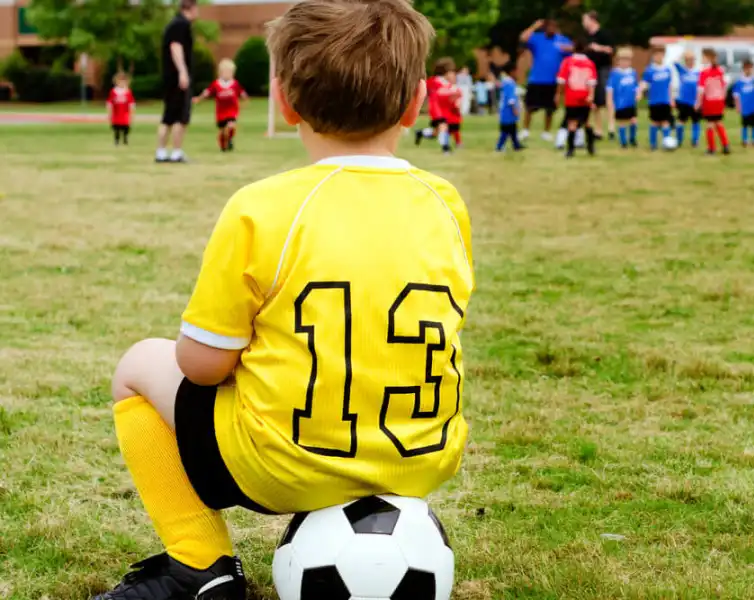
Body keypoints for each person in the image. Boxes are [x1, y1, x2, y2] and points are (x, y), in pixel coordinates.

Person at [92, 0, 475, 598]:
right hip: (421, 458)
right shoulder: (445, 202)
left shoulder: (263, 207)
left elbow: (201, 365)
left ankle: (200, 564)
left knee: (139, 364)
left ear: (285, 99)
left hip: (283, 466)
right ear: (417, 102)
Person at [157, 0, 197, 164]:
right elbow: (176, 47)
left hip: (169, 78)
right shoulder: (181, 25)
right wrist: (183, 72)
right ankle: (176, 152)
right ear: (190, 8)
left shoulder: (173, 24)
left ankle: (161, 152)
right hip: (177, 78)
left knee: (168, 116)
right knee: (180, 116)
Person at [519, 18, 572, 142]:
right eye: (549, 27)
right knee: (530, 107)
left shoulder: (561, 40)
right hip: (536, 79)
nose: (551, 30)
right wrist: (534, 26)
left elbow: (574, 49)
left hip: (553, 80)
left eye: (554, 27)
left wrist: (568, 49)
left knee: (550, 109)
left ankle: (546, 132)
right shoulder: (537, 38)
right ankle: (525, 130)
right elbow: (523, 38)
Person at [193, 59, 249, 152]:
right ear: (220, 73)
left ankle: (230, 139)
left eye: (230, 72)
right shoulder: (216, 84)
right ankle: (223, 144)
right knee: (223, 131)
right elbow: (207, 93)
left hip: (232, 110)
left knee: (231, 126)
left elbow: (242, 93)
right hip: (221, 112)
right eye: (225, 72)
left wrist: (244, 100)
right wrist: (199, 99)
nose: (228, 74)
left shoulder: (234, 84)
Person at [556, 38, 597, 158]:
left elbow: (561, 80)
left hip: (572, 97)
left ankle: (570, 150)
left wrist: (558, 94)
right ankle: (591, 146)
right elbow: (592, 82)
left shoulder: (567, 62)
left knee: (572, 123)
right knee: (587, 123)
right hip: (585, 96)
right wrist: (591, 96)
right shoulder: (590, 63)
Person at [582, 11, 615, 140]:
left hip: (603, 69)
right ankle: (598, 130)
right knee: (594, 101)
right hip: (591, 70)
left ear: (592, 20)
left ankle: (611, 127)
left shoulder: (604, 34)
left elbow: (611, 50)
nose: (583, 23)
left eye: (585, 20)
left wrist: (598, 48)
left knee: (607, 98)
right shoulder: (586, 37)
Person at [414, 57, 454, 151]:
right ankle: (445, 148)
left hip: (443, 110)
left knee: (436, 132)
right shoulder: (434, 81)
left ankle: (420, 133)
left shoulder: (446, 83)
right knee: (443, 127)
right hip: (436, 109)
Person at [696, 47, 731, 155]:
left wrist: (698, 103)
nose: (701, 59)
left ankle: (712, 148)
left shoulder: (704, 72)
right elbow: (724, 87)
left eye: (702, 57)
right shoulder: (720, 70)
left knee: (710, 124)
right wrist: (723, 100)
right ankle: (725, 145)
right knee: (719, 123)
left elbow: (701, 90)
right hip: (719, 101)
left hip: (710, 101)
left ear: (708, 58)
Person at [640, 46, 674, 151]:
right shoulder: (650, 70)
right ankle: (653, 144)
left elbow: (670, 86)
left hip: (665, 100)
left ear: (663, 56)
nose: (659, 57)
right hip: (654, 101)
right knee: (654, 122)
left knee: (665, 122)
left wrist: (671, 98)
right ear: (653, 56)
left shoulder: (667, 69)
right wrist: (639, 92)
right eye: (656, 55)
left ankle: (666, 143)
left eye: (661, 55)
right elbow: (644, 83)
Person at [606, 47, 639, 149]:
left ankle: (632, 139)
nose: (625, 62)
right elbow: (610, 88)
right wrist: (609, 100)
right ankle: (623, 142)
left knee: (633, 120)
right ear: (618, 60)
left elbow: (636, 86)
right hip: (620, 103)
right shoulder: (615, 73)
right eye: (622, 60)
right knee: (622, 122)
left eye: (627, 60)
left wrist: (638, 93)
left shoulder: (633, 72)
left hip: (631, 102)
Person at [674, 50, 701, 148]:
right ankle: (678, 140)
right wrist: (682, 54)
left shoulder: (698, 72)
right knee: (681, 121)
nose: (690, 62)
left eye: (692, 60)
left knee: (695, 121)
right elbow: (675, 62)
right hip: (683, 101)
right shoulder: (682, 70)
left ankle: (695, 140)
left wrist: (699, 101)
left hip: (695, 102)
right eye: (688, 60)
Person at [734, 60, 754, 147]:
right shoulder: (739, 81)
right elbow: (736, 95)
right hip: (745, 107)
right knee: (745, 124)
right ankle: (744, 140)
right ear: (743, 69)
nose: (748, 70)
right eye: (746, 68)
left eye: (750, 68)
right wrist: (738, 106)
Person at [496, 64, 524, 152]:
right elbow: (510, 98)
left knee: (513, 129)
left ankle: (516, 145)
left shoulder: (506, 82)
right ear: (512, 72)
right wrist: (514, 109)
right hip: (508, 111)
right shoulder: (509, 83)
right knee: (506, 130)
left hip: (506, 111)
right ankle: (499, 146)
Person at [107, 72, 135, 147]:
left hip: (125, 113)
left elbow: (131, 104)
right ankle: (117, 139)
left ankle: (125, 138)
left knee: (125, 127)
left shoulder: (128, 92)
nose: (122, 83)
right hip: (116, 113)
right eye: (120, 81)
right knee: (116, 128)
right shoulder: (113, 92)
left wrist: (131, 114)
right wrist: (109, 113)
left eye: (124, 81)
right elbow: (110, 103)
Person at [442, 69, 464, 149]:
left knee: (455, 130)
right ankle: (446, 146)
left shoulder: (456, 88)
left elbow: (459, 100)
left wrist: (458, 106)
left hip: (454, 114)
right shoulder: (445, 88)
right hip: (447, 114)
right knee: (447, 131)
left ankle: (458, 143)